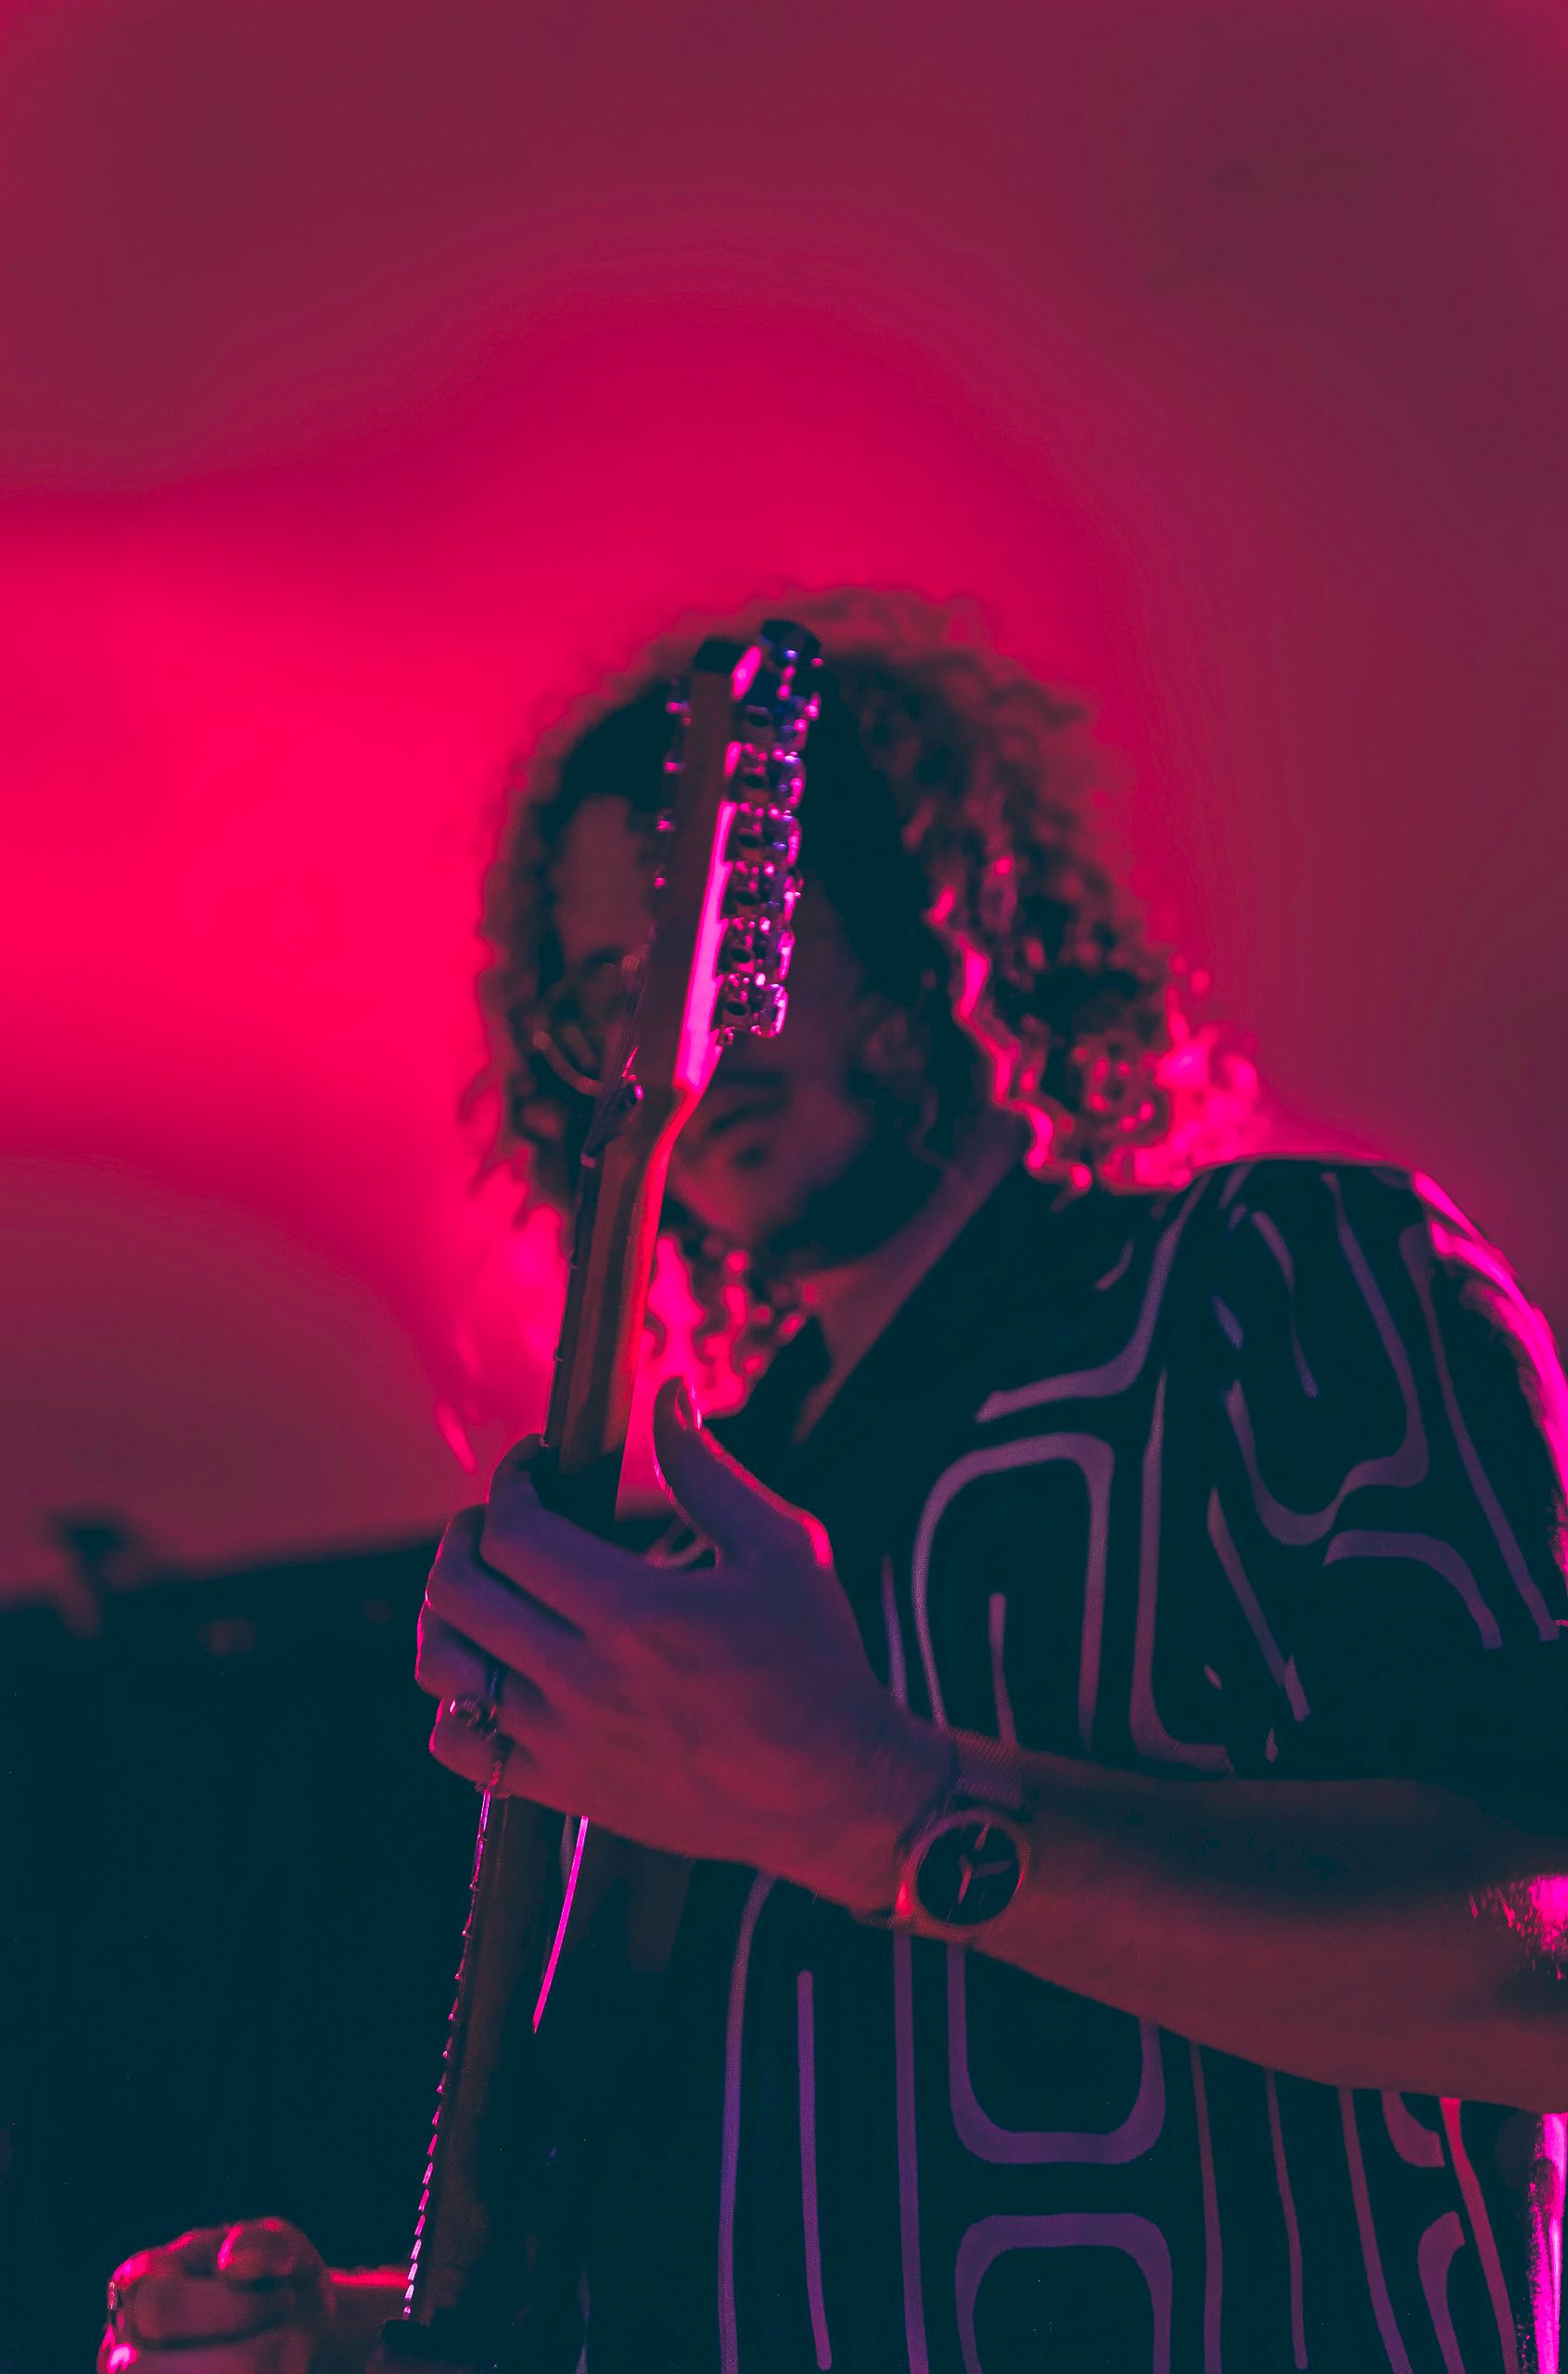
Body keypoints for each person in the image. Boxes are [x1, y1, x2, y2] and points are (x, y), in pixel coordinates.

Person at [103, 590, 1568, 2373]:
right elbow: (669, 2244)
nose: (668, 1013)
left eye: (714, 932)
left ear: (921, 916)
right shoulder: (678, 1549)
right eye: (599, 987)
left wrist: (884, 1806)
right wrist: (354, 2341)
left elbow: (1536, 1965)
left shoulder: (1289, 1280)